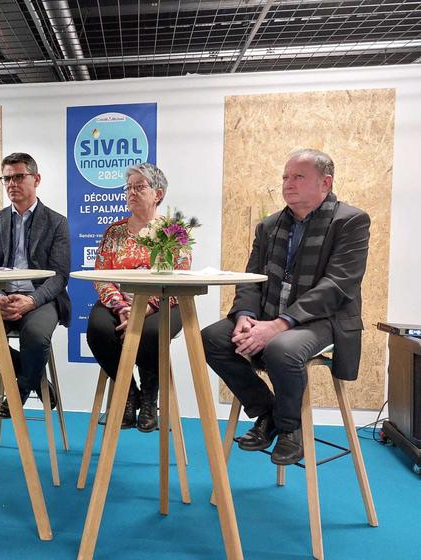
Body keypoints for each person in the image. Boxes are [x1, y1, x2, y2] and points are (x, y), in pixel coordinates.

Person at [202, 148, 370, 465]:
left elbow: (338, 285)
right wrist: (246, 316)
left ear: (326, 182)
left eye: (298, 176)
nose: (288, 183)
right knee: (212, 337)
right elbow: (251, 278)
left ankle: (290, 430)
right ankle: (268, 413)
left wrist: (279, 325)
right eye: (285, 177)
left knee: (282, 349)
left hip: (323, 320)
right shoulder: (269, 226)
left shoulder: (351, 221)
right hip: (268, 313)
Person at [86, 163, 189, 432]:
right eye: (128, 187)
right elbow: (101, 274)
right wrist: (121, 307)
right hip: (120, 302)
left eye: (139, 186)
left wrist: (146, 308)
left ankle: (149, 397)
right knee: (97, 329)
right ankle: (127, 393)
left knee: (151, 332)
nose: (132, 192)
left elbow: (180, 277)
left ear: (158, 193)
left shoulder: (174, 231)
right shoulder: (114, 232)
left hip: (164, 302)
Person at [0, 152, 70, 418]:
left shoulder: (57, 222)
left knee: (35, 339)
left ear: (36, 179)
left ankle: (20, 390)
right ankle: (34, 379)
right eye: (7, 178)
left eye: (18, 177)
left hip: (41, 297)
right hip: (1, 296)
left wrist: (32, 301)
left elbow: (59, 276)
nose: (12, 183)